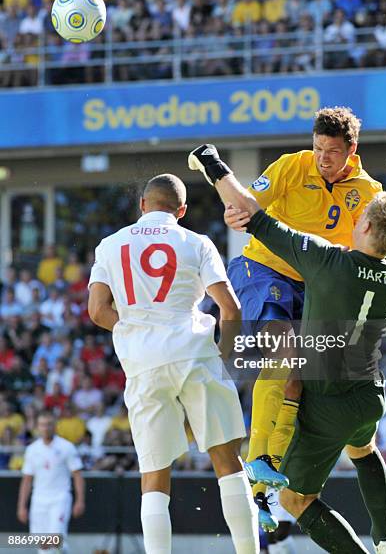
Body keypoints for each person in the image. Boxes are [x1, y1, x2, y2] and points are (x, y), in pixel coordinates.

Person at [189, 144, 386, 553]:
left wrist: (215, 167)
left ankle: (262, 477)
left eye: (360, 218)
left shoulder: (327, 262)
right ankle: (385, 539)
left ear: (364, 229)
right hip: (369, 395)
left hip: (330, 398)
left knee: (297, 500)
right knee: (363, 449)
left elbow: (256, 217)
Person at [225, 106, 383, 529]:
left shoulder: (368, 191)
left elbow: (367, 248)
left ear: (352, 150)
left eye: (331, 151)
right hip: (263, 269)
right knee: (284, 351)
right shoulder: (291, 166)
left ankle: (262, 487)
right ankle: (256, 457)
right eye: (317, 148)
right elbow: (249, 202)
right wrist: (236, 212)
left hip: (315, 285)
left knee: (297, 380)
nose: (322, 158)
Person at [88, 174, 260, 554]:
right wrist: (223, 356)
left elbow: (98, 311)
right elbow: (230, 307)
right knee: (226, 460)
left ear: (143, 206)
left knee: (154, 473)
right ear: (181, 211)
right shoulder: (196, 242)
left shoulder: (110, 245)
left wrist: (137, 326)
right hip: (194, 352)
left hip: (143, 362)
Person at [17, 410, 85, 553]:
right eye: (42, 425)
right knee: (42, 545)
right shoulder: (32, 450)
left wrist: (80, 500)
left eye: (49, 424)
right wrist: (22, 506)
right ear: (37, 426)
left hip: (60, 498)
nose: (45, 428)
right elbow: (27, 480)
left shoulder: (66, 447)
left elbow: (77, 475)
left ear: (55, 426)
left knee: (54, 539)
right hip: (39, 500)